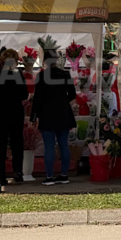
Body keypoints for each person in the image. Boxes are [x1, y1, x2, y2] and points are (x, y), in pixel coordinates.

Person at [0, 48, 29, 191]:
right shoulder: (18, 76)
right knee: (16, 143)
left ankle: (1, 175)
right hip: (15, 113)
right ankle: (17, 172)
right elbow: (24, 96)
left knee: (0, 146)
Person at [31, 49, 77, 186]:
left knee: (49, 146)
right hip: (63, 112)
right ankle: (64, 175)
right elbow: (73, 95)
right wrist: (63, 101)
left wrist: (34, 116)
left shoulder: (42, 76)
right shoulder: (65, 74)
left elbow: (37, 99)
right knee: (64, 145)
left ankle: (49, 176)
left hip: (47, 114)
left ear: (45, 61)